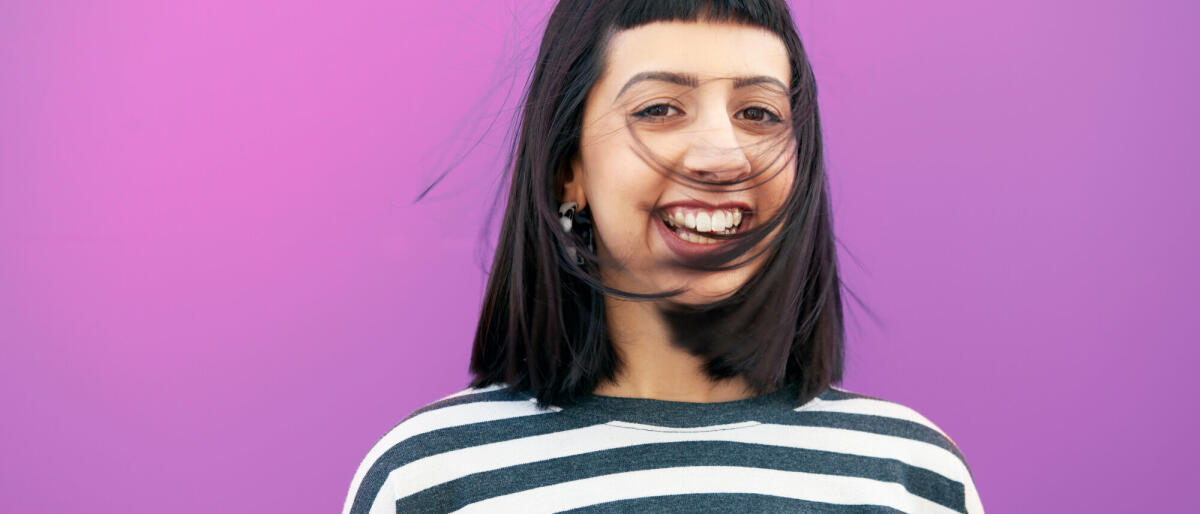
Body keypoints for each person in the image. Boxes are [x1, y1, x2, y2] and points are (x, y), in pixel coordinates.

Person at [344, 0, 983, 512]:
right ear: (570, 171)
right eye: (659, 109)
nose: (723, 156)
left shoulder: (913, 479)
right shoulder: (428, 479)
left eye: (758, 113)